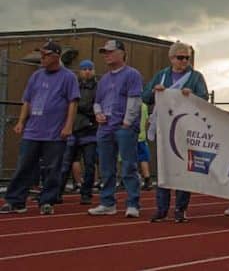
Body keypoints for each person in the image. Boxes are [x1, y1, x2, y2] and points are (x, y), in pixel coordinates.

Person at [0, 42, 79, 215]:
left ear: (56, 56)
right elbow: (27, 100)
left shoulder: (68, 77)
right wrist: (21, 122)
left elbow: (73, 103)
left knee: (52, 168)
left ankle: (47, 201)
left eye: (45, 55)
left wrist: (68, 126)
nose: (41, 59)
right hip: (33, 131)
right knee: (24, 165)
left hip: (55, 133)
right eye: (41, 55)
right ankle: (15, 201)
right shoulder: (36, 76)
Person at [142, 41, 209, 223]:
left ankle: (180, 208)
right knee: (163, 167)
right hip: (164, 127)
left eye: (187, 58)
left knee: (182, 168)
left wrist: (192, 95)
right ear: (171, 58)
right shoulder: (162, 76)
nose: (184, 61)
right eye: (180, 57)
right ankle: (161, 208)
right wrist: (155, 91)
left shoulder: (195, 77)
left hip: (185, 128)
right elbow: (145, 96)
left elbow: (203, 98)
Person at [87, 40, 144, 217]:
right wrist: (98, 114)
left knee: (128, 166)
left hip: (122, 127)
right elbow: (97, 101)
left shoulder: (132, 74)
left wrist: (126, 123)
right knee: (106, 167)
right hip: (105, 127)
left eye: (110, 52)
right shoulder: (104, 79)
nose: (107, 55)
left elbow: (135, 99)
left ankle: (133, 203)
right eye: (105, 52)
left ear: (122, 53)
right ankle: (107, 202)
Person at [58, 59, 99, 205]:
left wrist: (77, 107)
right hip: (73, 129)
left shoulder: (97, 87)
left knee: (89, 164)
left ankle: (86, 193)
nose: (87, 71)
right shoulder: (73, 86)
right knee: (65, 163)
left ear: (93, 70)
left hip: (90, 130)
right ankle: (57, 192)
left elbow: (91, 105)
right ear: (80, 71)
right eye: (84, 69)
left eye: (90, 68)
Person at [137, 103, 152, 191]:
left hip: (131, 136)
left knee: (128, 158)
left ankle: (134, 179)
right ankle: (147, 180)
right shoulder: (144, 106)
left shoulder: (126, 105)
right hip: (141, 136)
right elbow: (147, 122)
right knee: (143, 159)